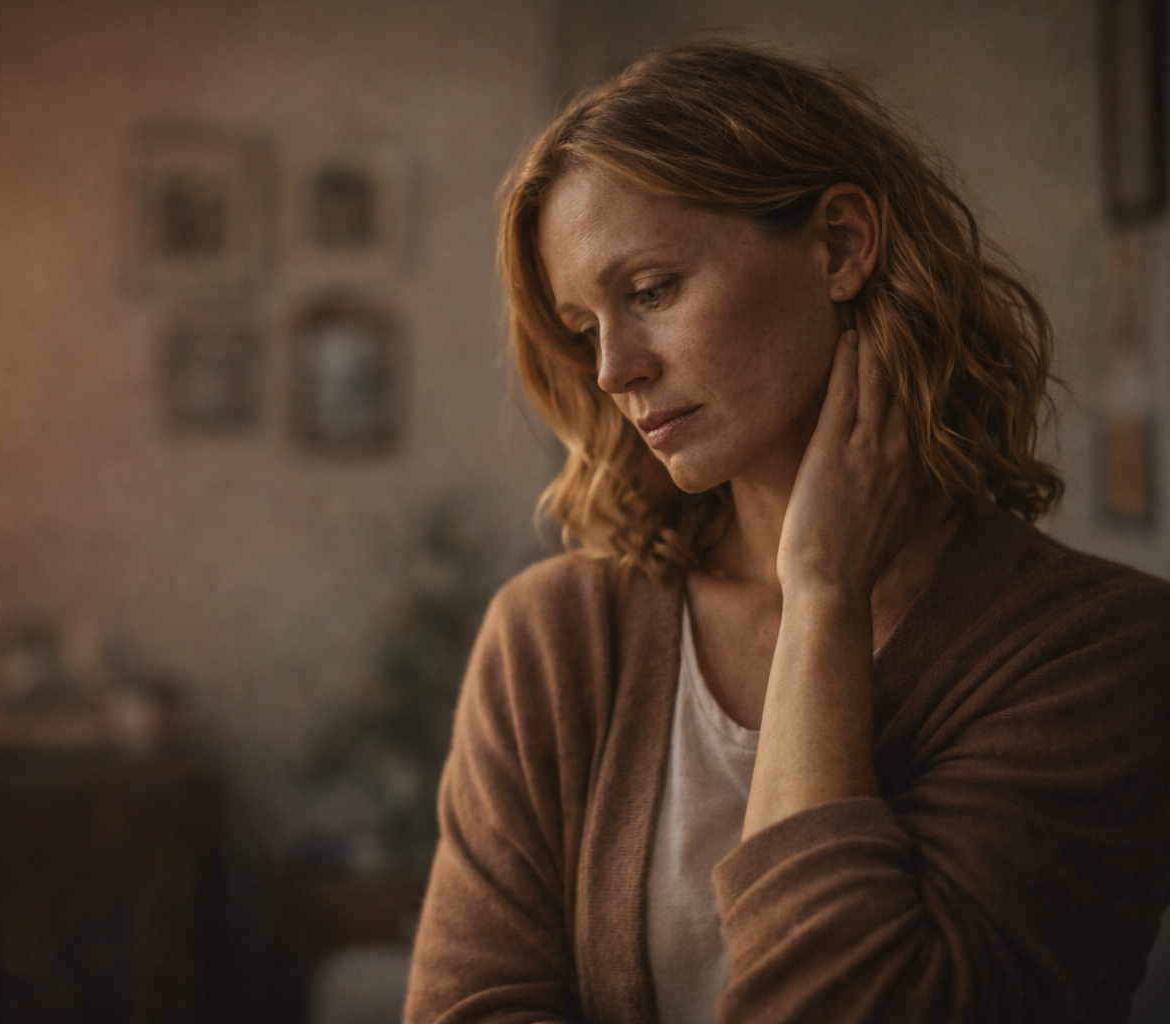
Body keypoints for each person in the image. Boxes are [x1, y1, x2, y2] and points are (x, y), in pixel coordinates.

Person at [404, 41, 1170, 1024]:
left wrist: (821, 594)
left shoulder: (1105, 657)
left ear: (841, 245)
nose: (613, 371)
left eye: (650, 290)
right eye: (586, 326)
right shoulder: (554, 640)